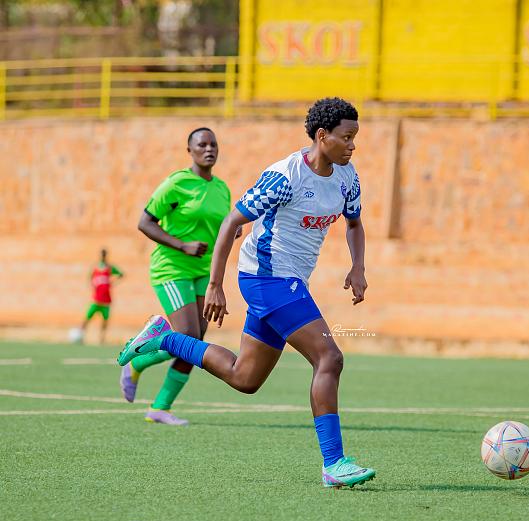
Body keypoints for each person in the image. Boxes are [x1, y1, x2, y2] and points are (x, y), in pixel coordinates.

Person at [117, 97, 375, 488]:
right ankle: (334, 463)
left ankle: (164, 338)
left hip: (289, 281)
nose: (353, 145)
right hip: (266, 278)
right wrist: (216, 284)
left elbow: (354, 223)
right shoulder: (284, 176)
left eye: (355, 137)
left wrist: (358, 266)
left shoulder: (347, 177)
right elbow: (231, 223)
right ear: (322, 136)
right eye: (347, 137)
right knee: (329, 357)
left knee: (244, 378)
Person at [119, 127, 240, 426]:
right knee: (187, 336)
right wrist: (182, 245)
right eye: (202, 144)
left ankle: (160, 407)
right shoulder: (176, 184)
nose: (209, 149)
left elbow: (221, 226)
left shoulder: (222, 189)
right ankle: (138, 362)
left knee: (196, 342)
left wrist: (232, 230)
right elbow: (145, 222)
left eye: (213, 144)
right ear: (190, 151)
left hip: (204, 272)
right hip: (172, 268)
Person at [80, 248, 123, 344]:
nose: (103, 256)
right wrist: (92, 285)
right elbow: (90, 277)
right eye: (102, 254)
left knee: (105, 320)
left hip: (106, 300)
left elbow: (121, 274)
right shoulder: (95, 267)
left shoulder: (110, 267)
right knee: (87, 317)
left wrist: (112, 283)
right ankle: (80, 335)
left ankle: (101, 339)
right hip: (96, 299)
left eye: (104, 254)